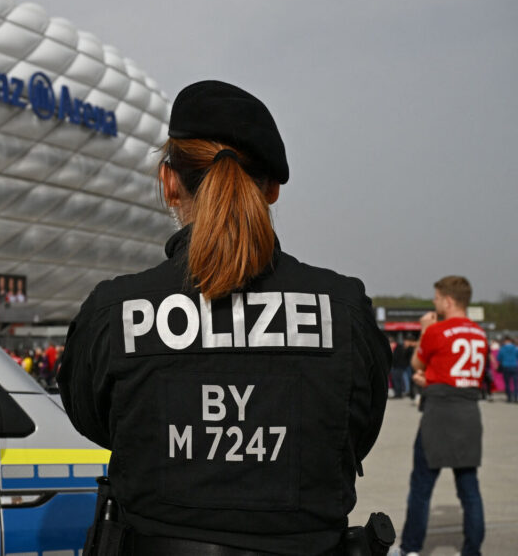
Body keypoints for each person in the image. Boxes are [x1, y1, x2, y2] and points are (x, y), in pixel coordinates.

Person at [58, 80, 391, 555]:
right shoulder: (343, 310)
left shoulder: (114, 312)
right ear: (272, 189)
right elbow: (359, 429)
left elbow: (93, 419)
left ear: (170, 182)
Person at [400, 276, 488, 556]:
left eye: (436, 299)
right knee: (469, 487)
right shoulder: (479, 333)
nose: (434, 303)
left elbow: (416, 362)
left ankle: (410, 548)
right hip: (469, 413)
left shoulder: (438, 331)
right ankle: (472, 550)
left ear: (448, 301)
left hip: (440, 415)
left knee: (422, 486)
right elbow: (462, 374)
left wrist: (426, 329)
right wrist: (434, 379)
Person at [499, 335, 518, 403]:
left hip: (506, 366)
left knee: (507, 383)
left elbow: (499, 358)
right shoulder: (515, 348)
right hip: (514, 366)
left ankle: (509, 397)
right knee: (516, 383)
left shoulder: (502, 349)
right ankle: (516, 397)